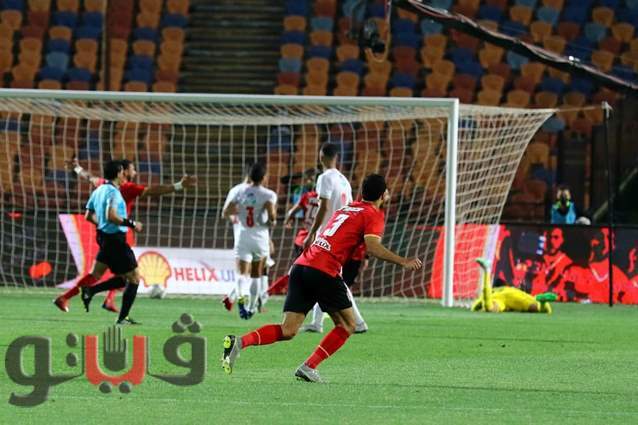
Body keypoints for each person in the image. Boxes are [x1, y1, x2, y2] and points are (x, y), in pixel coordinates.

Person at [221, 174, 422, 382]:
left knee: (288, 330)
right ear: (383, 195)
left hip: (301, 265)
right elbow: (373, 247)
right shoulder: (373, 214)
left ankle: (239, 342)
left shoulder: (346, 209)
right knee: (348, 325)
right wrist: (403, 261)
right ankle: (309, 366)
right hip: (324, 269)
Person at [53, 158, 197, 313]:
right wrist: (179, 185)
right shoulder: (127, 188)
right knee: (129, 275)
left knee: (99, 274)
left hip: (105, 233)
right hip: (118, 232)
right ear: (123, 172)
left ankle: (75, 298)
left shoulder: (103, 184)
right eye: (132, 169)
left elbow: (90, 178)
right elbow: (153, 190)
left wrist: (77, 168)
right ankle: (104, 301)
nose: (135, 172)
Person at [300, 143, 368, 334]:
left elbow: (323, 207)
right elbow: (350, 209)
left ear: (321, 156)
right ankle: (317, 322)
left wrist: (312, 233)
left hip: (327, 237)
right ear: (336, 157)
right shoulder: (344, 180)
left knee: (332, 280)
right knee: (322, 278)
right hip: (341, 236)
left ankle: (359, 323)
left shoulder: (324, 178)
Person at [76, 160, 143, 325]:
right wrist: (132, 224)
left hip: (103, 237)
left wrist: (103, 224)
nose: (124, 175)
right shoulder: (113, 192)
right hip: (115, 240)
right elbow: (111, 215)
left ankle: (91, 290)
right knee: (134, 278)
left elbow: (88, 215)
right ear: (119, 173)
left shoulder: (99, 190)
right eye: (122, 172)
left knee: (119, 278)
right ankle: (122, 317)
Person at [222, 163, 277, 319]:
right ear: (264, 177)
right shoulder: (268, 194)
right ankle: (252, 307)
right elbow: (272, 217)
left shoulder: (239, 191)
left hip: (242, 234)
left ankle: (240, 302)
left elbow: (226, 212)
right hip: (260, 237)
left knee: (241, 273)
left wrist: (239, 214)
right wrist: (270, 222)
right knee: (257, 274)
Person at [473, 258, 555, 314]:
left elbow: (478, 304)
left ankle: (487, 270)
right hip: (515, 295)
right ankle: (543, 303)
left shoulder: (494, 293)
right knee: (539, 308)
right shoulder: (514, 290)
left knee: (489, 308)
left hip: (500, 298)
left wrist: (475, 307)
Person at [531, 228, 573, 300]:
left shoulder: (568, 263)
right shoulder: (536, 259)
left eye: (556, 237)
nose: (551, 240)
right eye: (549, 237)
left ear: (562, 240)